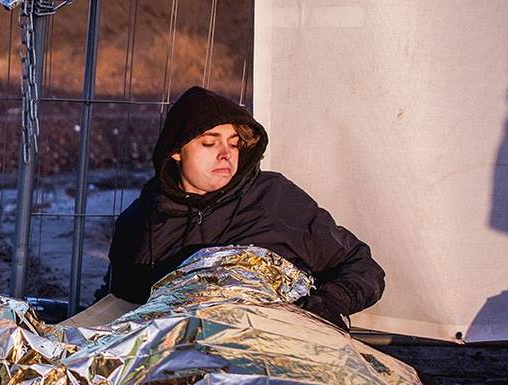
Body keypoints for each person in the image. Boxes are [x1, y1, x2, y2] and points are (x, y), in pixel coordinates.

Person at [94, 86, 385, 329]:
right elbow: (119, 301)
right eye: (209, 143)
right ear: (176, 151)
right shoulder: (140, 222)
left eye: (234, 145)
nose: (225, 155)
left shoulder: (275, 199)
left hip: (281, 350)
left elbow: (362, 266)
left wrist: (328, 305)